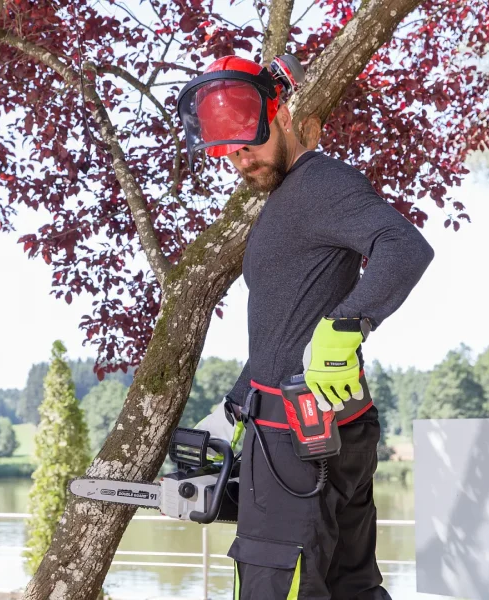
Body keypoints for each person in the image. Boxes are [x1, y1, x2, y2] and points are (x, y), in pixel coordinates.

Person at [177, 55, 434, 600]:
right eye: (232, 153)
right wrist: (234, 406)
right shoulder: (288, 200)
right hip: (314, 422)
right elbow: (283, 325)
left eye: (252, 144)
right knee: (348, 584)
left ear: (285, 117)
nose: (243, 161)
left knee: (280, 580)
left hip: (299, 432)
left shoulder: (319, 183)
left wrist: (348, 325)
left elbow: (404, 246)